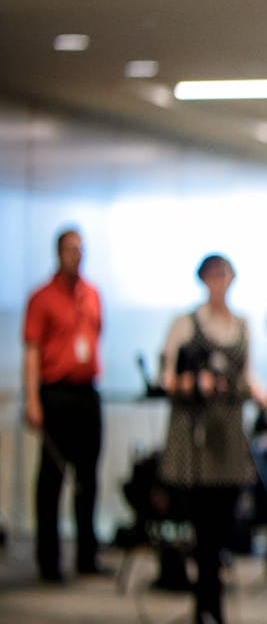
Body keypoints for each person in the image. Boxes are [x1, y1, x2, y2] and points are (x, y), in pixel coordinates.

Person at [158, 254, 267, 624]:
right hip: (195, 437)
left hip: (229, 437)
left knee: (221, 526)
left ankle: (210, 601)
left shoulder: (241, 325)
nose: (220, 282)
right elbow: (167, 378)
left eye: (226, 275)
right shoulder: (186, 324)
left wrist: (259, 392)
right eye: (214, 275)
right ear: (204, 279)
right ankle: (208, 602)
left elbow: (248, 373)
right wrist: (192, 384)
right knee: (202, 527)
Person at [23, 227, 106, 583]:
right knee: (52, 480)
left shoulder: (92, 295)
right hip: (55, 394)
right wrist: (32, 400)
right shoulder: (42, 297)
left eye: (81, 249)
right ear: (58, 252)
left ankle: (87, 556)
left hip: (86, 392)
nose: (77, 255)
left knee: (88, 478)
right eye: (71, 249)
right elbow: (31, 351)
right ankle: (49, 560)